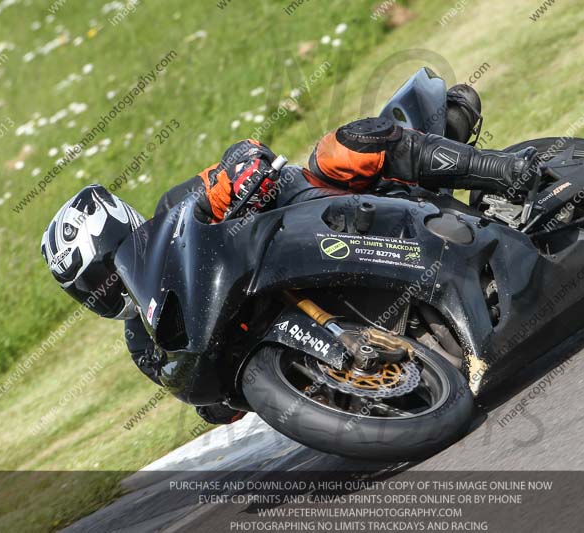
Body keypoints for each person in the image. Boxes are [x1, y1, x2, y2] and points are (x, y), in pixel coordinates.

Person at [41, 84, 538, 426]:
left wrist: (244, 170)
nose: (106, 289)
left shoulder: (175, 213)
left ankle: (504, 170)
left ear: (124, 230)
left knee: (340, 150)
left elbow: (232, 166)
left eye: (103, 273)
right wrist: (214, 397)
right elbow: (209, 400)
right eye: (89, 290)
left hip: (311, 219)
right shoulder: (143, 339)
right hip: (289, 325)